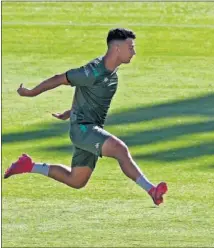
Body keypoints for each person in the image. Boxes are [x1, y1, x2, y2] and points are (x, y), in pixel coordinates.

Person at [4, 28, 168, 206]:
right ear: (117, 48)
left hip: (90, 129)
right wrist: (31, 93)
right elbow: (60, 78)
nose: (134, 52)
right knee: (120, 149)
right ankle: (152, 190)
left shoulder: (112, 73)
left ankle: (28, 165)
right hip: (83, 129)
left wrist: (71, 110)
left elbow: (85, 91)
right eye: (131, 47)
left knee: (77, 180)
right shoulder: (93, 72)